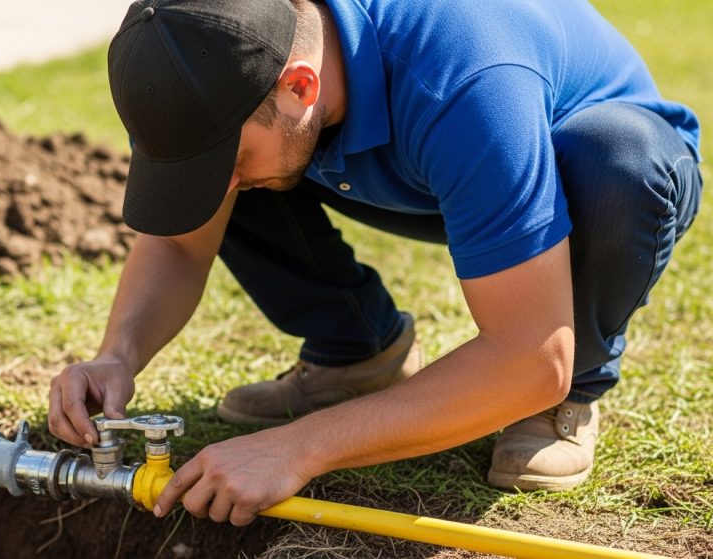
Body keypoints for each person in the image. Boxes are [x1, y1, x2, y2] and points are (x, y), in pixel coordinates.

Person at [48, 0, 703, 527]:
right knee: (238, 172)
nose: (216, 193)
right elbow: (180, 238)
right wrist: (118, 355)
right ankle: (357, 350)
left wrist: (298, 445)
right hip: (423, 162)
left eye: (229, 161)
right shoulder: (212, 50)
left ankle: (572, 398)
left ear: (300, 85)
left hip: (586, 163)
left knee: (620, 163)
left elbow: (531, 353)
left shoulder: (463, 77)